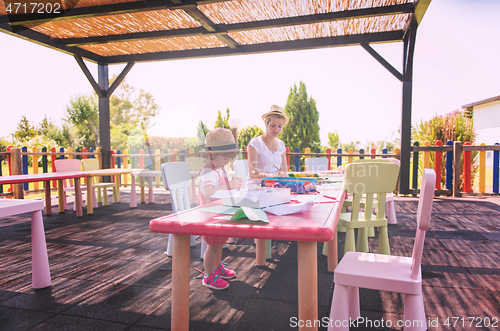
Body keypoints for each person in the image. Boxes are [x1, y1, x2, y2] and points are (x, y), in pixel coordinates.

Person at [198, 128, 243, 290]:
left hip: (220, 213)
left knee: (219, 243)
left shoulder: (220, 168)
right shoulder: (207, 173)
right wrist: (229, 185)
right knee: (213, 246)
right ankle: (209, 276)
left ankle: (216, 269)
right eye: (225, 159)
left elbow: (223, 188)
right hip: (210, 216)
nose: (227, 162)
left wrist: (233, 184)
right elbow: (209, 193)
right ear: (211, 155)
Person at [247, 105, 289, 186]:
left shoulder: (281, 144)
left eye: (280, 126)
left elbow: (284, 171)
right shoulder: (255, 143)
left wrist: (282, 175)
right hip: (256, 188)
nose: (276, 129)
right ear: (266, 124)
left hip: (274, 186)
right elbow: (253, 173)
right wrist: (273, 176)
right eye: (273, 126)